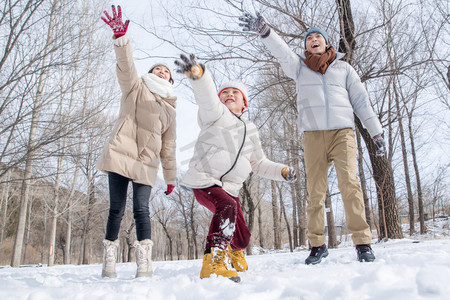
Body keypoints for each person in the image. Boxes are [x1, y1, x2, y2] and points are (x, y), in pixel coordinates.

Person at [239, 12, 387, 264]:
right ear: (306, 45)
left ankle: (362, 243)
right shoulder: (299, 68)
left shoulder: (343, 69)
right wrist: (266, 32)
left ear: (327, 43)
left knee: (349, 184)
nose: (313, 40)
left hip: (343, 133)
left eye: (318, 36)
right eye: (309, 38)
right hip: (313, 136)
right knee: (315, 191)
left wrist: (376, 132)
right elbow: (282, 51)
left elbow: (361, 100)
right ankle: (317, 244)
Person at [174, 54, 297, 282]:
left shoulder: (250, 129)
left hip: (230, 188)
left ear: (244, 103)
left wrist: (281, 171)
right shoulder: (215, 115)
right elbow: (207, 98)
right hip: (204, 180)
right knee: (227, 206)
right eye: (225, 93)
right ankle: (214, 261)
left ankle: (234, 248)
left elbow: (259, 163)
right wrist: (199, 77)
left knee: (242, 238)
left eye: (235, 93)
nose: (229, 95)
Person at [97, 5, 177, 278]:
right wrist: (121, 39)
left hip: (146, 161)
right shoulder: (135, 85)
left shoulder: (170, 109)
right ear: (150, 72)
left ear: (171, 80)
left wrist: (170, 177)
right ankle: (109, 260)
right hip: (121, 154)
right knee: (116, 210)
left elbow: (169, 147)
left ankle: (144, 261)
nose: (161, 71)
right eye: (157, 68)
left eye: (166, 71)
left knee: (142, 210)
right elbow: (126, 66)